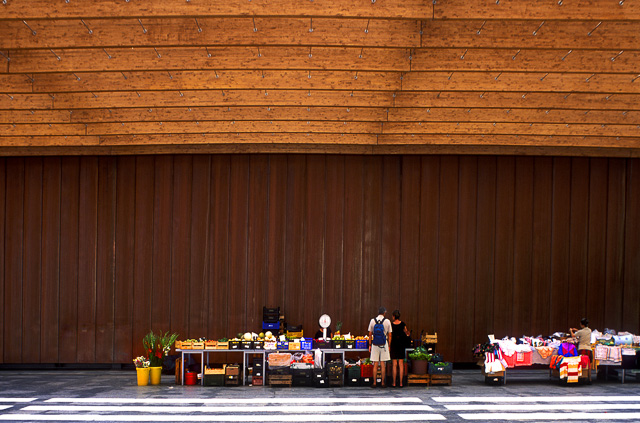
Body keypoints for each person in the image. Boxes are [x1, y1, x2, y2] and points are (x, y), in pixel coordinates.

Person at [368, 306, 392, 388]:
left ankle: (374, 383)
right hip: (384, 344)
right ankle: (382, 383)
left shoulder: (372, 321)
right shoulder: (387, 321)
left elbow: (370, 334)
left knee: (375, 364)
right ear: (384, 313)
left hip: (375, 344)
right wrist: (389, 345)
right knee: (382, 364)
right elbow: (390, 335)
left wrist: (369, 345)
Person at [389, 309, 411, 387]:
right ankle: (401, 383)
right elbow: (407, 333)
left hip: (394, 344)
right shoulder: (403, 324)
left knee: (394, 364)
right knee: (401, 364)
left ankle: (394, 383)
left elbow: (390, 335)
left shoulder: (391, 325)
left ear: (393, 316)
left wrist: (389, 345)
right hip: (401, 345)